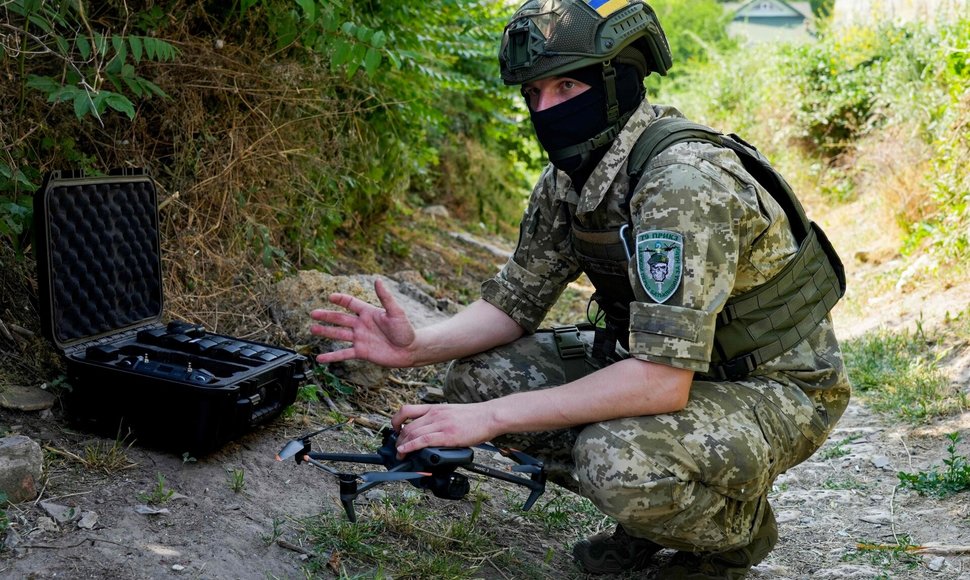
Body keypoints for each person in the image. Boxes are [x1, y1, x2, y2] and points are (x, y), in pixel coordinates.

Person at [310, 0, 851, 577]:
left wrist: (493, 420)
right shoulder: (572, 177)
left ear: (618, 83)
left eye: (567, 87)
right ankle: (652, 514)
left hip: (773, 386)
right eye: (534, 95)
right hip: (675, 369)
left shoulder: (682, 183)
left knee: (616, 457)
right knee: (477, 380)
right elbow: (515, 301)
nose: (547, 110)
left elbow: (661, 382)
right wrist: (416, 344)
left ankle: (728, 532)